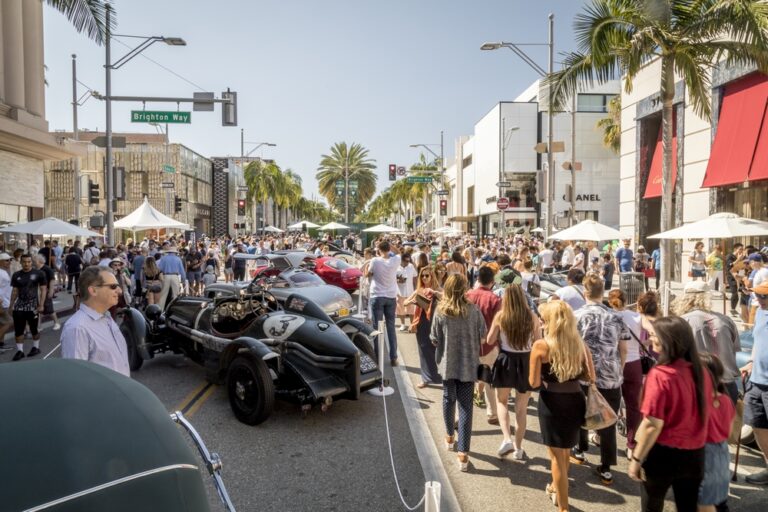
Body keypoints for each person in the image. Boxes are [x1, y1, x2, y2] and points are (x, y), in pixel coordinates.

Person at [629, 316, 712, 512]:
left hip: (663, 453)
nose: (650, 340)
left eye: (653, 336)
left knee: (652, 505)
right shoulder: (701, 372)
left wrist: (636, 459)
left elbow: (652, 424)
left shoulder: (661, 375)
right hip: (695, 452)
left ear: (667, 340)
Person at [530, 301, 594, 511]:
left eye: (543, 318)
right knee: (564, 451)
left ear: (550, 321)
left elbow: (534, 383)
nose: (540, 320)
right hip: (575, 399)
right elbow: (591, 376)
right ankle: (555, 488)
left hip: (552, 402)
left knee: (556, 456)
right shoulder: (579, 344)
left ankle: (563, 507)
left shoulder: (541, 345)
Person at [571, 273, 627, 485]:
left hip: (585, 373)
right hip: (611, 374)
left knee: (581, 413)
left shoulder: (577, 316)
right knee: (608, 421)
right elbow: (622, 349)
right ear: (602, 292)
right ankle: (606, 467)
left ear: (585, 293)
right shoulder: (616, 316)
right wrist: (618, 370)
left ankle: (580, 449)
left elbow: (574, 347)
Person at [430, 273, 486, 472]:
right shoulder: (474, 311)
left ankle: (449, 435)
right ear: (465, 289)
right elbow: (483, 336)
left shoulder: (441, 311)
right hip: (468, 364)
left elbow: (434, 339)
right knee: (466, 407)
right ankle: (463, 452)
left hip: (447, 364)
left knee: (447, 399)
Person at [486, 284, 540, 461]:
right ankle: (518, 448)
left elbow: (490, 339)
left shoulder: (501, 316)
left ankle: (506, 438)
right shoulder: (532, 317)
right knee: (521, 409)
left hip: (506, 360)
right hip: (526, 361)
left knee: (501, 401)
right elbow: (539, 342)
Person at [673, 281, 741, 403]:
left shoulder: (683, 321)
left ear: (685, 298)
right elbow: (734, 351)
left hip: (698, 385)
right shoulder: (726, 320)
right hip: (727, 384)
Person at [60, 266, 130, 376]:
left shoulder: (106, 317)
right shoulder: (77, 328)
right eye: (113, 286)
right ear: (93, 290)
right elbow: (75, 377)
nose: (119, 291)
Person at [608, 289, 646, 460]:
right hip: (634, 364)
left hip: (613, 363)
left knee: (608, 403)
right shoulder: (637, 317)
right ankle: (631, 445)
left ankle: (603, 438)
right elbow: (649, 336)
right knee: (633, 407)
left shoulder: (608, 316)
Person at [698, 353, 736, 512]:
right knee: (718, 496)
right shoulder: (726, 400)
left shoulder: (702, 401)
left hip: (705, 452)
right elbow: (729, 431)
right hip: (722, 451)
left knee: (704, 500)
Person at [466, 266, 502, 425]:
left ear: (477, 279)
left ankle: (462, 416)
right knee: (489, 381)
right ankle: (492, 413)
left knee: (466, 381)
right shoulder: (495, 299)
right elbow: (499, 325)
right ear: (492, 281)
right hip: (489, 344)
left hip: (468, 344)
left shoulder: (467, 295)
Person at [741, 280, 768, 485]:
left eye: (764, 296)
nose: (759, 299)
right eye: (757, 295)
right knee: (757, 426)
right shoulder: (759, 313)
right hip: (756, 380)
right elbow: (758, 343)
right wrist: (750, 361)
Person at [404, 266, 443, 388]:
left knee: (437, 350)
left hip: (436, 323)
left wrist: (435, 293)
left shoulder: (437, 290)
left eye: (427, 275)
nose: (424, 278)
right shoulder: (418, 290)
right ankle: (426, 379)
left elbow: (446, 300)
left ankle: (440, 377)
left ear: (432, 276)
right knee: (423, 351)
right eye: (422, 276)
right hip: (421, 323)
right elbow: (405, 303)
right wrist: (412, 301)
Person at [368, 241, 401, 366]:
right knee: (391, 327)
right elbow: (399, 252)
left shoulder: (375, 261)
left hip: (377, 295)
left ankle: (377, 357)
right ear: (389, 249)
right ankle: (393, 357)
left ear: (379, 249)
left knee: (377, 327)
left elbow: (368, 273)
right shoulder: (395, 260)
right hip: (391, 296)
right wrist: (391, 245)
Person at [9, 254, 47, 361]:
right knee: (18, 330)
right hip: (19, 307)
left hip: (33, 306)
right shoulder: (16, 275)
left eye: (29, 262)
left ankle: (36, 347)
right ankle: (20, 351)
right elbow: (15, 291)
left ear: (31, 262)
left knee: (34, 329)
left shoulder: (39, 273)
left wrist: (41, 304)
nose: (26, 264)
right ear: (20, 262)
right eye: (24, 262)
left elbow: (44, 289)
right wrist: (11, 305)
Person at [33, 254, 60, 331]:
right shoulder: (35, 269)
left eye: (34, 259)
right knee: (39, 309)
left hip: (46, 290)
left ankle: (57, 322)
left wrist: (51, 291)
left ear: (39, 260)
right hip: (37, 291)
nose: (33, 261)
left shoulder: (47, 268)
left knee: (49, 309)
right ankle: (39, 326)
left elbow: (52, 280)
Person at [156, 245, 186, 310]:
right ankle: (175, 309)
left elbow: (159, 268)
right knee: (176, 294)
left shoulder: (164, 258)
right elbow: (182, 271)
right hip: (175, 276)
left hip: (166, 276)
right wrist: (183, 280)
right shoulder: (178, 259)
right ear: (175, 252)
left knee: (163, 294)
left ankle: (160, 310)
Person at [395, 253, 417, 332]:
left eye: (408, 260)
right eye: (406, 261)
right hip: (400, 291)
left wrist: (416, 288)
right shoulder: (396, 267)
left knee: (411, 309)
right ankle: (403, 324)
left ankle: (412, 324)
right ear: (401, 260)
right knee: (400, 309)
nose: (407, 262)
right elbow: (392, 278)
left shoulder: (411, 266)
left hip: (410, 291)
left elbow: (415, 276)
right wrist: (398, 280)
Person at [726, 243, 744, 315]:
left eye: (742, 249)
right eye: (740, 249)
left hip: (739, 275)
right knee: (734, 292)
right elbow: (730, 265)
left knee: (738, 293)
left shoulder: (741, 256)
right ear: (735, 249)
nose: (741, 251)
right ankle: (732, 309)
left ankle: (734, 308)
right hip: (731, 276)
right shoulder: (729, 256)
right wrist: (738, 259)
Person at [0, 253, 14, 348]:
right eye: (6, 260)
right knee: (8, 322)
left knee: (2, 323)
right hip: (2, 303)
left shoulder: (4, 271)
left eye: (10, 260)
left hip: (6, 302)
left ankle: (1, 343)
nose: (9, 262)